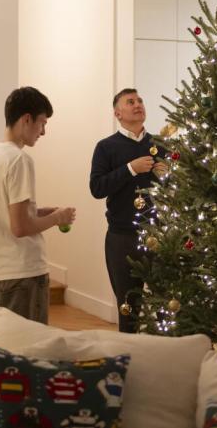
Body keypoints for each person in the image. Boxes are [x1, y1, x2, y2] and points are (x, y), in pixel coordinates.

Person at [0, 86, 76, 323]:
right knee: (29, 351)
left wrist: (42, 212)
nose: (43, 131)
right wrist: (57, 219)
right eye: (42, 123)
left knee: (10, 349)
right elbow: (19, 227)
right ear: (27, 119)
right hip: (23, 272)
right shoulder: (19, 160)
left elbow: (4, 213)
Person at [89, 89, 167, 333]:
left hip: (159, 236)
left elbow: (180, 191)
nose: (138, 105)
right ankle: (130, 364)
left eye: (140, 101)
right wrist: (130, 169)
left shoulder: (160, 145)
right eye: (130, 102)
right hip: (122, 238)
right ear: (117, 113)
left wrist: (168, 177)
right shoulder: (105, 147)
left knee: (165, 306)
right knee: (128, 308)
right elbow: (97, 188)